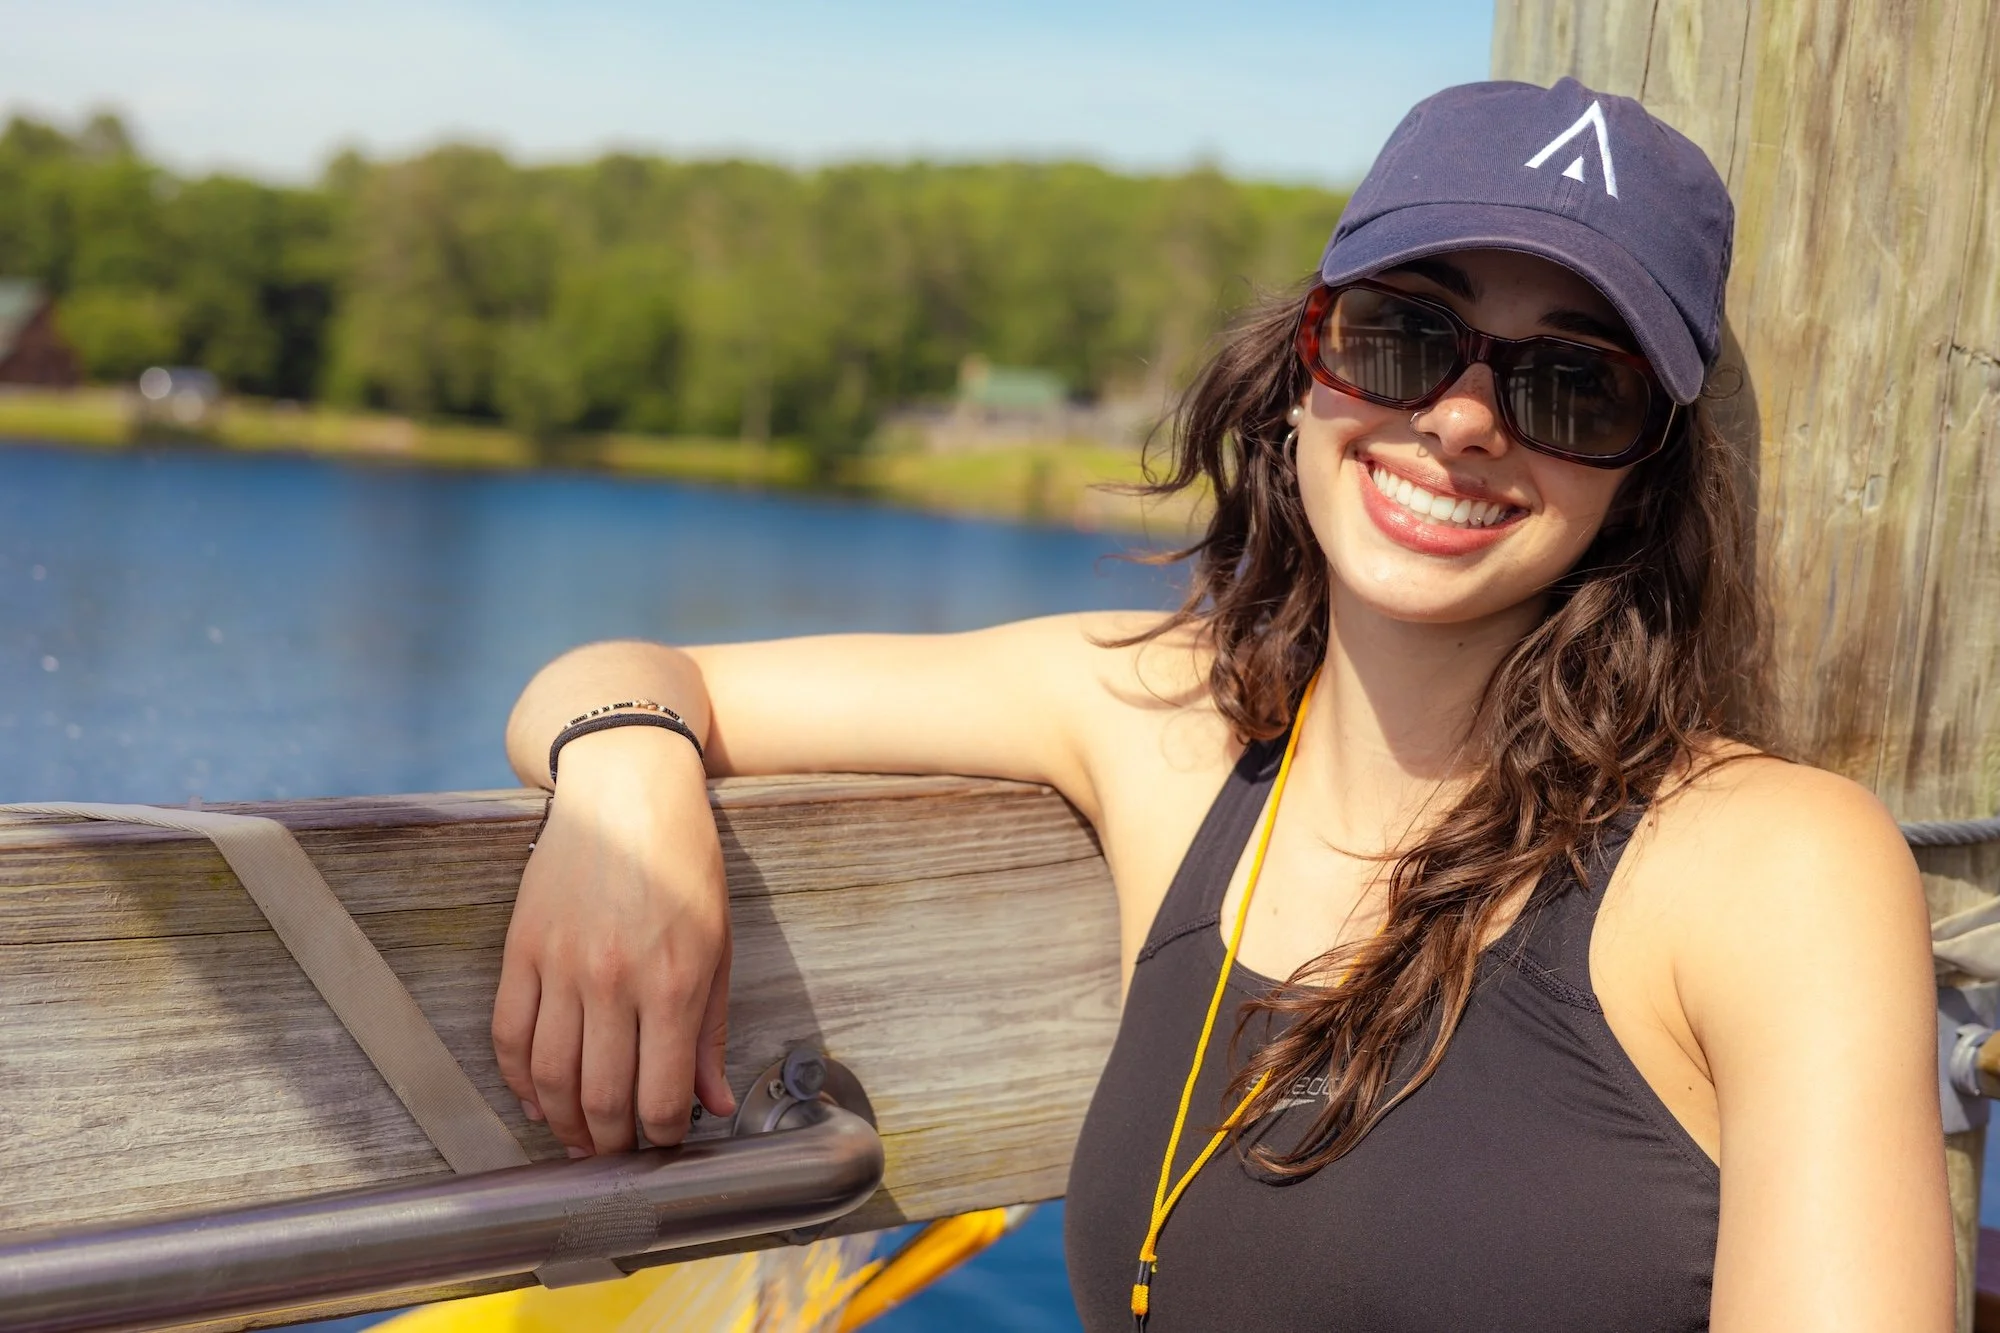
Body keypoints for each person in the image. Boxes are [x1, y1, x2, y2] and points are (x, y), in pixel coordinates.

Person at [490, 79, 1953, 1331]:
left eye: (1575, 388)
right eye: (1402, 333)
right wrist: (626, 797)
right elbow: (622, 680)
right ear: (1305, 361)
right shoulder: (1168, 729)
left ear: (1645, 478)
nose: (1460, 417)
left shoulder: (1775, 868)